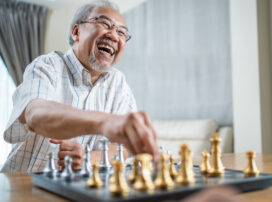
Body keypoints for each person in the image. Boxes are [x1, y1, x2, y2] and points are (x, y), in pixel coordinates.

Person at [1, 0, 158, 172]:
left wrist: (87, 157)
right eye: (105, 24)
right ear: (76, 32)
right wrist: (106, 122)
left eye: (121, 32)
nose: (114, 36)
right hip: (23, 186)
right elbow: (35, 114)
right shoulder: (47, 65)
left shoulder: (118, 83)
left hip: (78, 191)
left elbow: (122, 148)